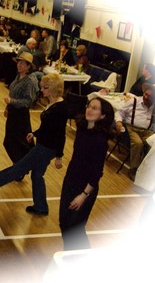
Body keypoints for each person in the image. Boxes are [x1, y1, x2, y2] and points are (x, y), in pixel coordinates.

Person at [0, 72, 68, 216]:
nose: (41, 90)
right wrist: (34, 133)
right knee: (37, 176)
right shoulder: (52, 103)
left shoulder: (60, 108)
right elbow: (47, 127)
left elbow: (60, 134)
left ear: (52, 89)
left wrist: (59, 156)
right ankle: (41, 207)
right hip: (44, 144)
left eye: (45, 88)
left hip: (46, 149)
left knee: (20, 166)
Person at [59, 97, 115, 250]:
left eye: (95, 108)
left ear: (103, 116)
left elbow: (97, 173)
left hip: (85, 188)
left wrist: (83, 195)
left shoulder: (99, 141)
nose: (89, 110)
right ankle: (70, 257)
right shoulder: (82, 129)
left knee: (74, 229)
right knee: (64, 224)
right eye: (89, 106)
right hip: (70, 181)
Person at [3, 52, 39, 164]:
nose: (19, 65)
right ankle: (21, 165)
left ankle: (21, 166)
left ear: (28, 66)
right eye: (19, 62)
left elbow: (29, 101)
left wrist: (11, 102)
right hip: (13, 113)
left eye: (23, 63)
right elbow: (13, 93)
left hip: (21, 115)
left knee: (16, 142)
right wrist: (7, 107)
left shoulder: (30, 81)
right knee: (12, 142)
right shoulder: (19, 76)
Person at [115, 83, 154, 179]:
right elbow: (120, 112)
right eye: (145, 94)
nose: (146, 97)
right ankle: (133, 169)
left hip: (147, 131)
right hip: (131, 128)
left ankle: (147, 170)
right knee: (138, 143)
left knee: (153, 143)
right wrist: (119, 122)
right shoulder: (134, 101)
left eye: (149, 96)